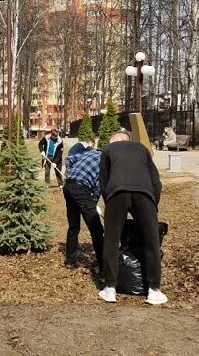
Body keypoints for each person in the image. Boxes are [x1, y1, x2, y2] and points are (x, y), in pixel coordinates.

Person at [98, 131, 166, 305]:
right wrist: (153, 204)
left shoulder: (108, 150)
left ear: (115, 140)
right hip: (144, 194)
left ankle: (110, 289)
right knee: (151, 241)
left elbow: (103, 182)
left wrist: (110, 204)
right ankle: (154, 290)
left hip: (117, 193)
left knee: (111, 241)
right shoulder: (142, 149)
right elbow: (156, 181)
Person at [62, 140, 104, 273]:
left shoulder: (88, 153)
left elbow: (69, 159)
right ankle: (103, 264)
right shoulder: (105, 162)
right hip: (81, 189)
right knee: (96, 227)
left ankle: (70, 261)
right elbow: (99, 186)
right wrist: (94, 204)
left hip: (68, 186)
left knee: (74, 226)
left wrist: (70, 174)